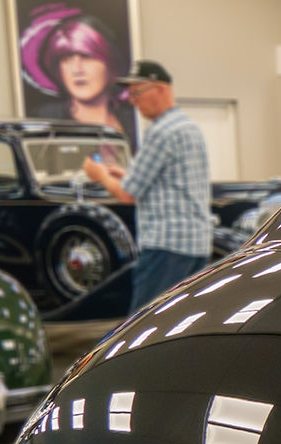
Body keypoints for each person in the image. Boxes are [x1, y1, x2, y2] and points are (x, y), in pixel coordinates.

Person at [81, 60, 211, 311]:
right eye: (130, 94)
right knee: (178, 320)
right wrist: (124, 173)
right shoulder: (189, 128)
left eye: (137, 92)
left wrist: (100, 176)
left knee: (142, 325)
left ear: (160, 89)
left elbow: (127, 194)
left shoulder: (161, 132)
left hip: (166, 246)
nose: (132, 100)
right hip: (196, 245)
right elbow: (172, 181)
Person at [19, 5, 134, 137]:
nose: (76, 69)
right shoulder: (41, 119)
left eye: (86, 57)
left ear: (110, 63)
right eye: (67, 59)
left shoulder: (135, 119)